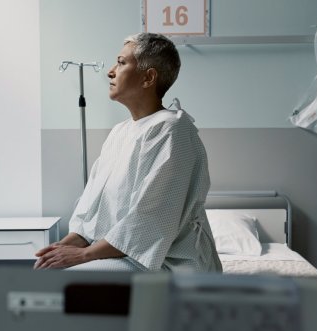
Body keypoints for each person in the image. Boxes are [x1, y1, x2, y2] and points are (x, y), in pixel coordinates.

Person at [34, 33, 221, 272]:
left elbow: (149, 220)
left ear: (148, 78)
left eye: (121, 63)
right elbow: (90, 208)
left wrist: (84, 255)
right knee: (44, 271)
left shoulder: (172, 130)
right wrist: (61, 248)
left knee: (67, 282)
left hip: (163, 260)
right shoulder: (119, 132)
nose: (110, 71)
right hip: (117, 251)